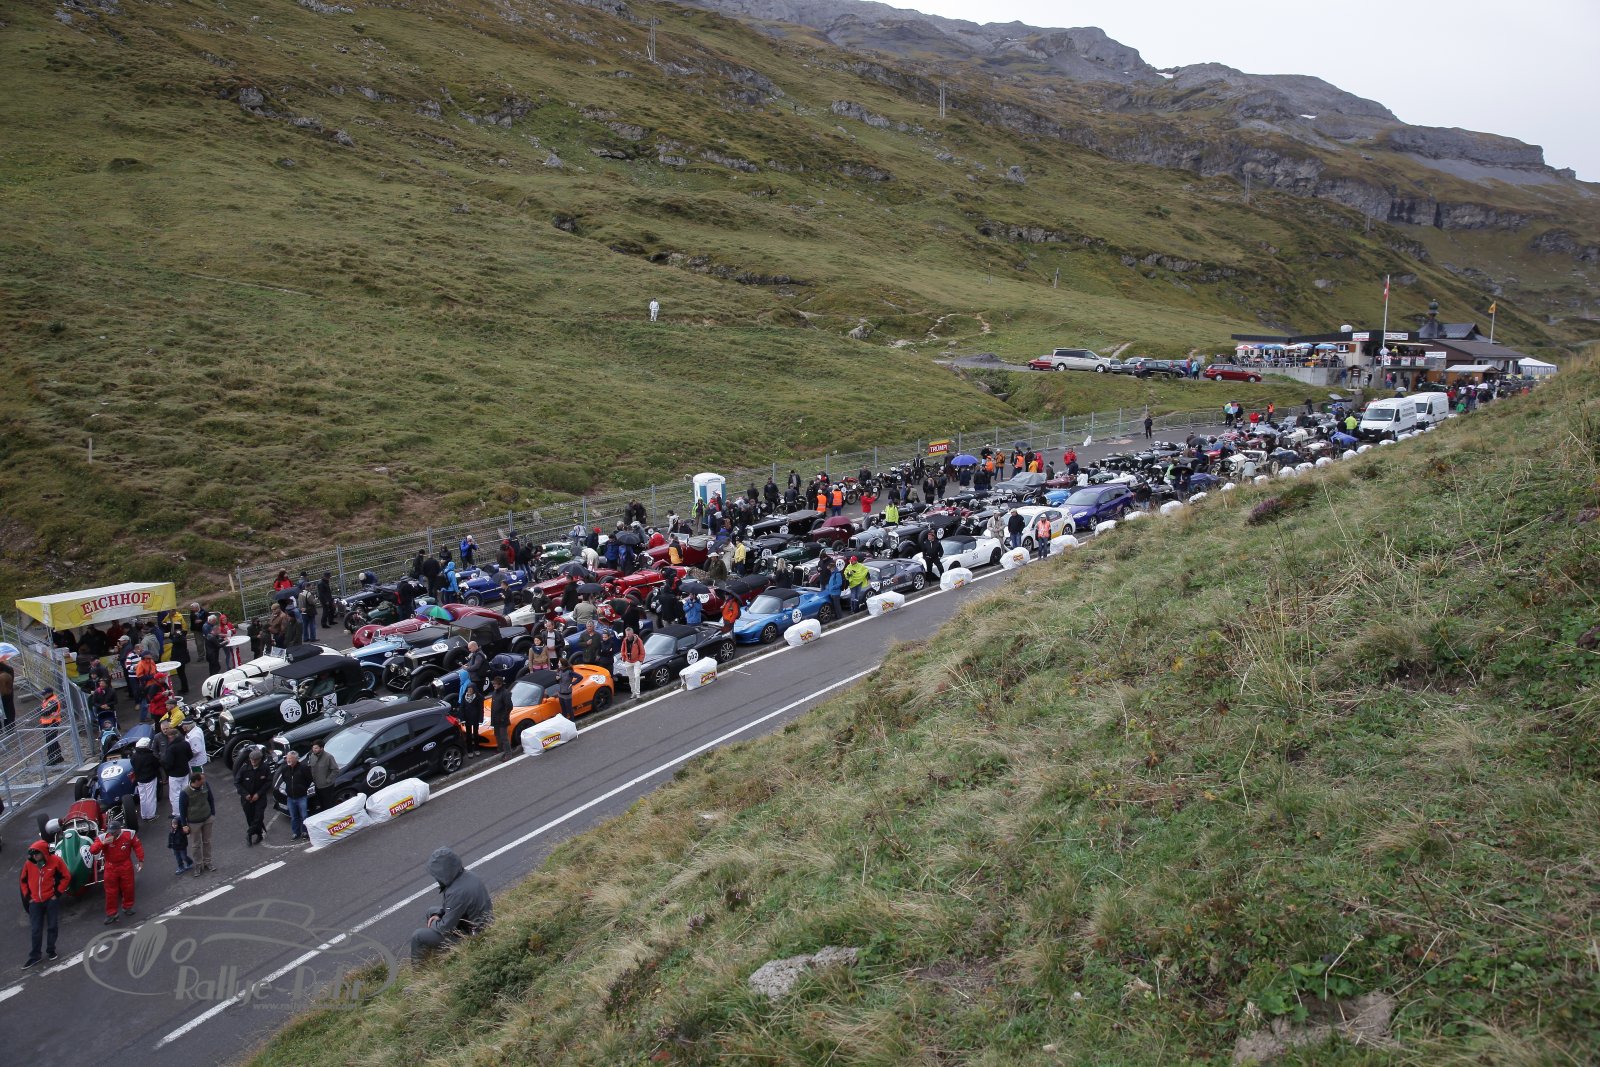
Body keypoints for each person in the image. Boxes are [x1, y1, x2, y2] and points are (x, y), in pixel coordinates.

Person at [409, 847, 493, 964]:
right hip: (478, 924)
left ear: (444, 872)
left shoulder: (456, 892)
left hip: (474, 936)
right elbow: (453, 908)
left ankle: (420, 970)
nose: (436, 878)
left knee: (418, 936)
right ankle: (437, 953)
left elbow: (445, 928)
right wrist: (438, 915)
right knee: (432, 911)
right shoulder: (468, 875)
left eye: (437, 874)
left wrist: (434, 922)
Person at [20, 839, 71, 967]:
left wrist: (57, 894)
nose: (34, 856)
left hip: (50, 900)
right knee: (36, 930)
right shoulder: (28, 864)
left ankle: (51, 950)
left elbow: (66, 876)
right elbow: (23, 881)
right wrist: (28, 897)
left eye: (36, 853)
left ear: (43, 853)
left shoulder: (56, 861)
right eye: (32, 854)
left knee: (52, 926)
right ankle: (35, 956)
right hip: (35, 902)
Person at [88, 823, 144, 924]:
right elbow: (93, 850)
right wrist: (103, 843)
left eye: (113, 832)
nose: (111, 834)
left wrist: (140, 860)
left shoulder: (129, 834)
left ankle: (128, 907)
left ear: (119, 830)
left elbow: (137, 846)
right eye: (110, 832)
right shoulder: (103, 837)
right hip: (110, 867)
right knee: (110, 891)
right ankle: (112, 914)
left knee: (128, 888)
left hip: (125, 865)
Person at [179, 771, 216, 875]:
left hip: (207, 818)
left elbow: (211, 799)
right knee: (196, 845)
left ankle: (207, 862)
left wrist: (212, 814)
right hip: (194, 822)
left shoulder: (205, 785)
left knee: (207, 841)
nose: (204, 780)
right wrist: (184, 825)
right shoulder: (185, 793)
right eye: (202, 779)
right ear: (196, 781)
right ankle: (198, 865)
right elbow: (182, 810)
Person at [234, 747, 272, 845]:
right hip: (247, 799)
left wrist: (258, 794)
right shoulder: (244, 769)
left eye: (255, 760)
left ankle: (249, 833)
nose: (253, 762)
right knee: (250, 817)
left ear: (260, 759)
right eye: (252, 760)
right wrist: (245, 794)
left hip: (260, 797)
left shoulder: (265, 768)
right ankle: (259, 834)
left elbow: (268, 782)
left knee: (259, 816)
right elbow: (237, 782)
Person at [161, 721, 194, 814]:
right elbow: (190, 756)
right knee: (186, 791)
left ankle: (177, 813)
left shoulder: (171, 748)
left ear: (171, 737)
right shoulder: (185, 743)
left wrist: (166, 767)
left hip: (175, 775)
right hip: (185, 772)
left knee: (175, 795)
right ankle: (187, 810)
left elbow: (169, 763)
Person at [280, 751, 312, 841]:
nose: (288, 760)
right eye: (287, 758)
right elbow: (285, 779)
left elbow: (309, 779)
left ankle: (305, 831)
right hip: (290, 797)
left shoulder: (304, 768)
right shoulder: (284, 768)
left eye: (290, 758)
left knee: (304, 816)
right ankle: (295, 832)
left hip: (301, 797)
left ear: (296, 759)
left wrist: (303, 788)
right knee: (293, 816)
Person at [130, 736, 161, 822]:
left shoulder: (134, 756)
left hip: (139, 779)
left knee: (143, 797)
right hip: (150, 778)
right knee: (151, 796)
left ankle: (144, 815)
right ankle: (151, 815)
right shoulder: (150, 756)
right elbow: (157, 765)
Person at [305, 741, 338, 811]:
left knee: (328, 805)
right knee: (320, 804)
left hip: (327, 787)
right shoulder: (312, 756)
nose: (314, 749)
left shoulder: (329, 757)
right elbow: (310, 767)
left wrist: (328, 780)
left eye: (316, 748)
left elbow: (335, 770)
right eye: (313, 748)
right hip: (317, 786)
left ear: (321, 748)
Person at [488, 675, 513, 762]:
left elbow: (509, 706)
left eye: (495, 684)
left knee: (504, 738)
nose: (493, 685)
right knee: (497, 735)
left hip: (502, 720)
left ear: (500, 684)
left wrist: (503, 717)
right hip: (495, 719)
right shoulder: (495, 692)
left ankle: (508, 754)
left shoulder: (505, 693)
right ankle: (500, 750)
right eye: (493, 684)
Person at [617, 626, 645, 700]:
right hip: (628, 661)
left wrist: (640, 660)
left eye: (629, 634)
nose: (627, 635)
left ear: (632, 633)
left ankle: (638, 693)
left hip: (636, 661)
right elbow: (622, 650)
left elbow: (642, 651)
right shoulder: (625, 640)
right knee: (631, 678)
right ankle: (633, 692)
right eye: (626, 634)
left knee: (637, 676)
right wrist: (624, 658)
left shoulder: (638, 640)